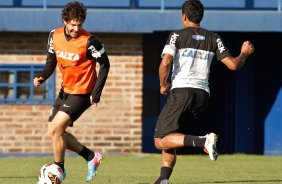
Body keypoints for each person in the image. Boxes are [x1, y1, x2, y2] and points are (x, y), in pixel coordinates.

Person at [152, 0, 255, 183]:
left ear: (184, 16)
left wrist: (163, 84)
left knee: (160, 139)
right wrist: (244, 53)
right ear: (201, 16)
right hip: (202, 96)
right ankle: (163, 180)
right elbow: (233, 65)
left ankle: (203, 141)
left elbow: (165, 62)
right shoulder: (214, 38)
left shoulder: (176, 35)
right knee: (172, 138)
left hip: (182, 92)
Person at [33, 1, 110, 182]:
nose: (76, 28)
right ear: (65, 21)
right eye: (73, 24)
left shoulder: (90, 41)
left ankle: (58, 169)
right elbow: (51, 60)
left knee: (57, 129)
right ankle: (91, 156)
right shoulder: (54, 35)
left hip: (83, 92)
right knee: (52, 132)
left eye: (80, 24)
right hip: (65, 90)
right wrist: (43, 76)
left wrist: (96, 93)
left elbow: (105, 64)